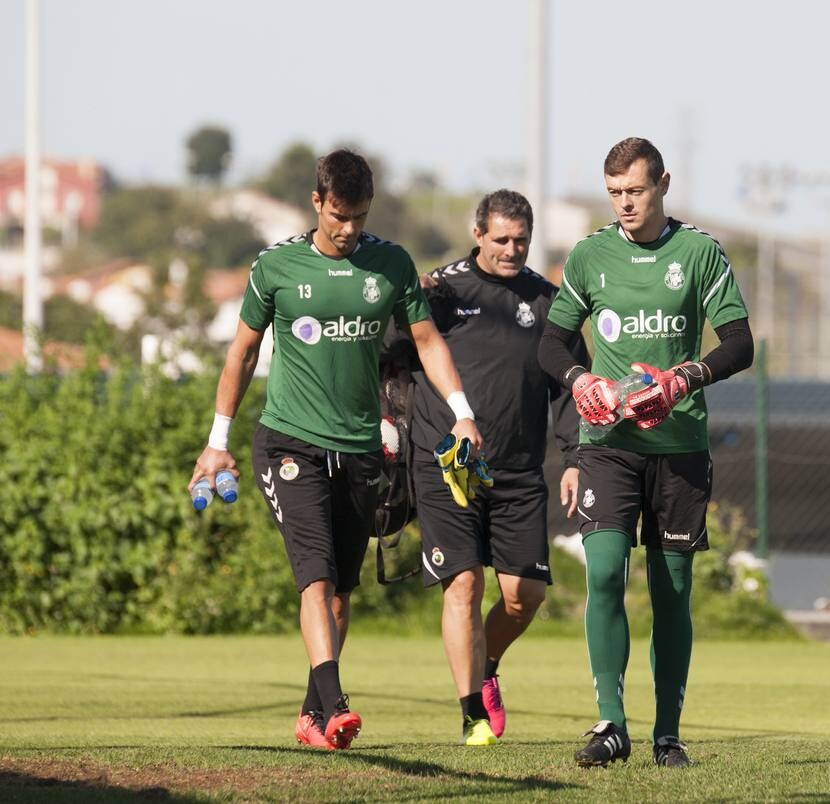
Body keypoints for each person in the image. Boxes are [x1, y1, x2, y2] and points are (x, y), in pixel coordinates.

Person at [187, 149, 482, 751]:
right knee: (316, 578)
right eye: (339, 216)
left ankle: (310, 714)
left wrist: (464, 414)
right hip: (289, 441)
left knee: (342, 594)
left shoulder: (391, 264)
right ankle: (337, 704)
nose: (348, 229)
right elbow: (240, 356)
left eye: (359, 216)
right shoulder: (274, 268)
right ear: (318, 202)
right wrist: (217, 443)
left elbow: (426, 343)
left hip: (360, 449)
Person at [538, 137, 754, 768]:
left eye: (635, 191)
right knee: (604, 572)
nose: (625, 204)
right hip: (607, 446)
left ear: (662, 183)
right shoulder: (589, 256)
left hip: (680, 445)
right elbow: (551, 346)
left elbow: (739, 344)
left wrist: (684, 378)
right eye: (615, 194)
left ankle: (667, 736)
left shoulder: (698, 252)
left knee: (671, 589)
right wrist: (583, 382)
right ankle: (611, 724)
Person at [402, 189, 588, 746]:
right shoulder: (441, 290)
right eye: (501, 239)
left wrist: (576, 458)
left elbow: (569, 389)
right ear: (478, 233)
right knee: (463, 583)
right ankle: (470, 716)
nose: (511, 249)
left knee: (523, 596)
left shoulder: (548, 302)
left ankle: (487, 669)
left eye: (521, 240)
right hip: (447, 465)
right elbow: (393, 345)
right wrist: (405, 300)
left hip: (519, 473)